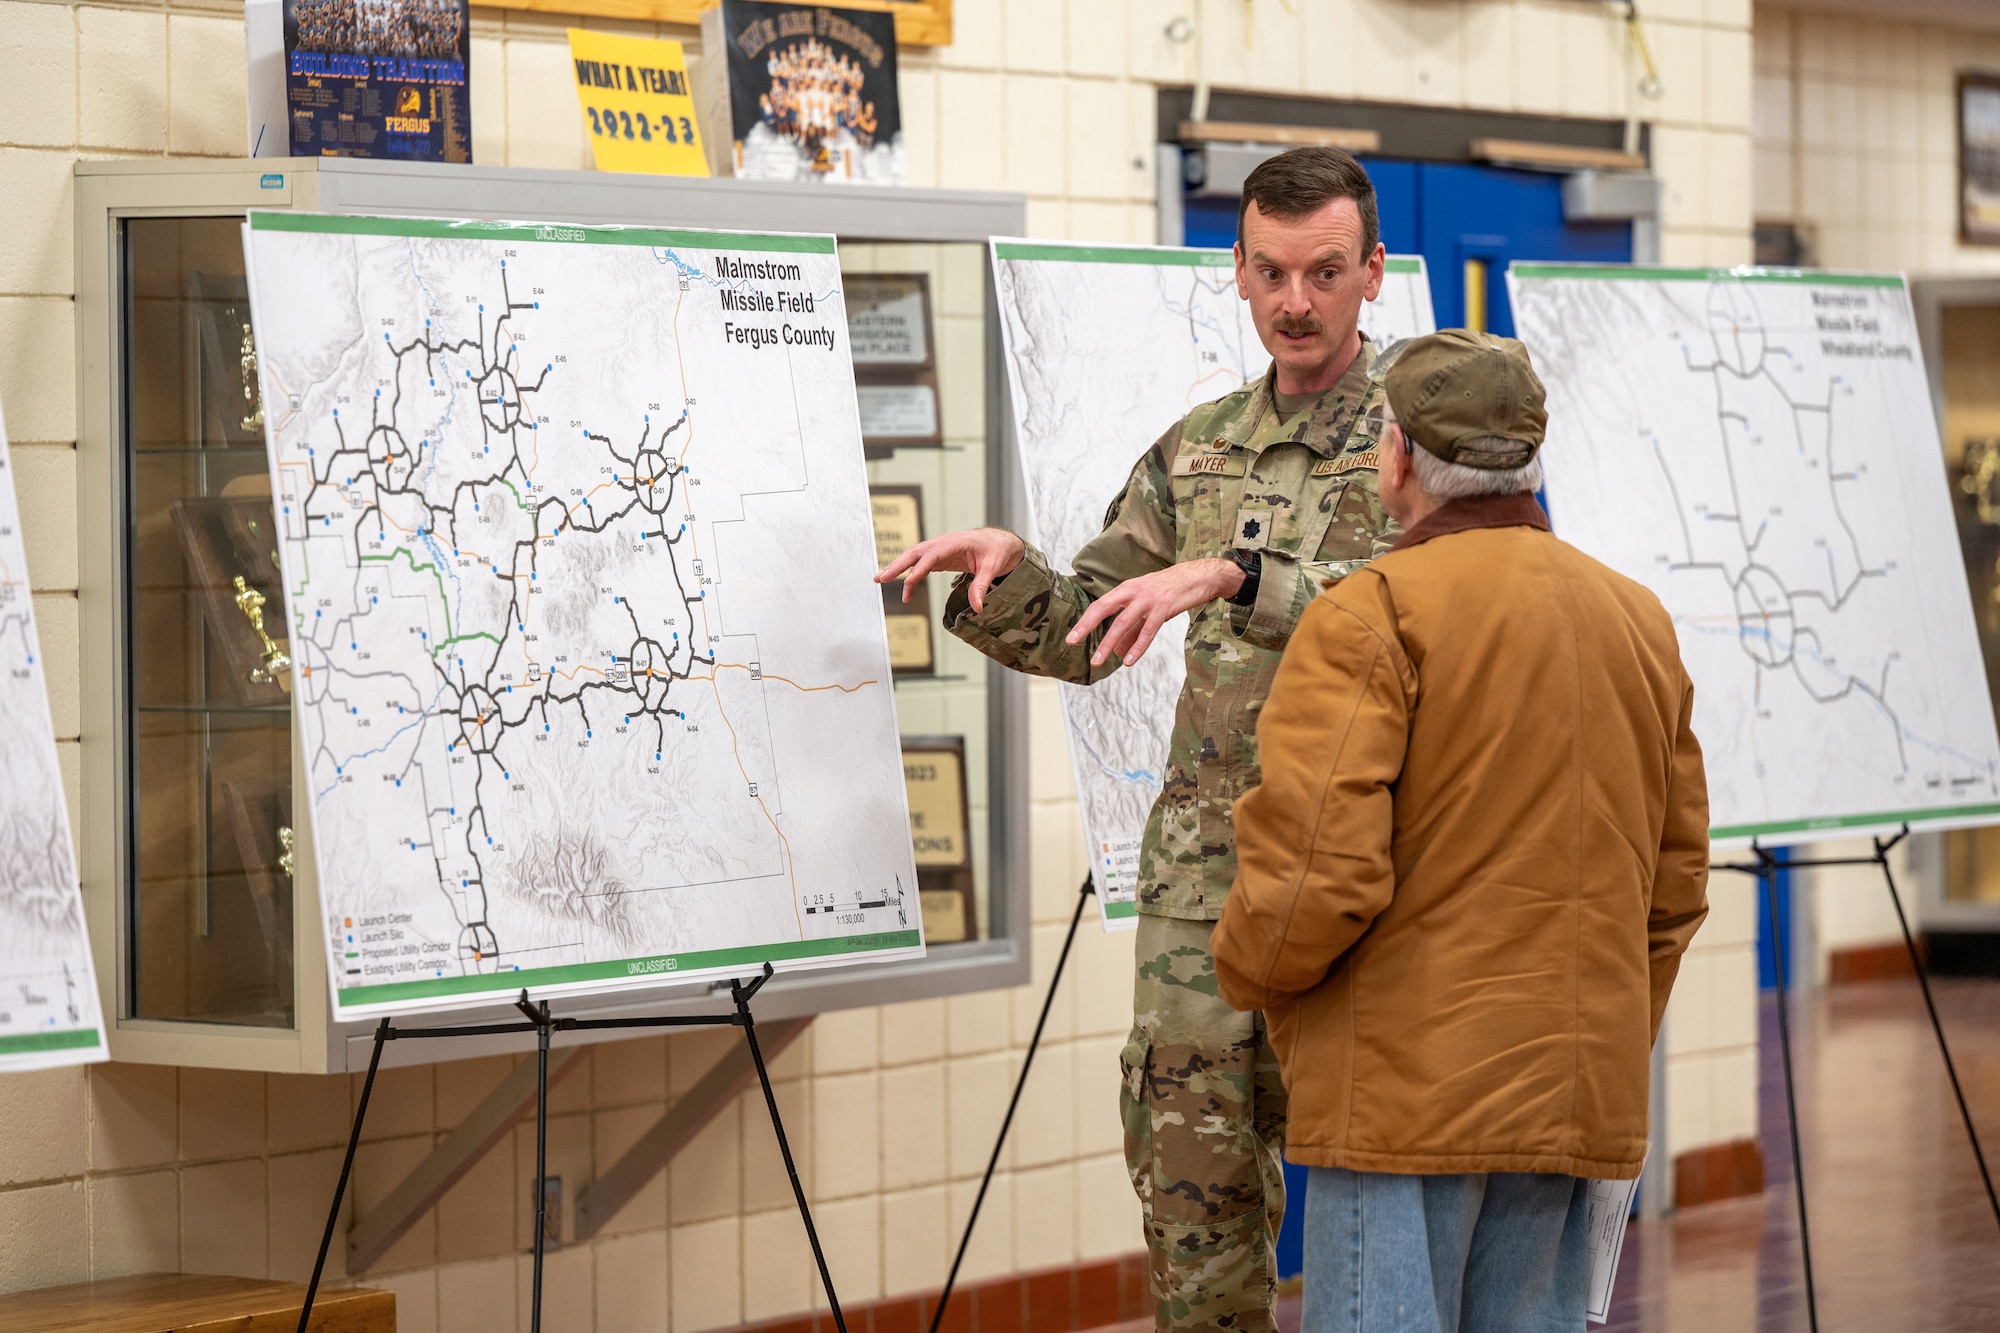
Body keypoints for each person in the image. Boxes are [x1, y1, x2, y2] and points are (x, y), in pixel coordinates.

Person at [877, 146, 1399, 1331]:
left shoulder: (1418, 443)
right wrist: (1009, 583)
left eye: (1323, 272)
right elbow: (1091, 629)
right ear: (1236, 271)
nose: (1294, 303)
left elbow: (1430, 614)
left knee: (1386, 1182)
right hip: (1206, 879)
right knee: (1192, 1187)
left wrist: (1238, 573)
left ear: (1371, 273)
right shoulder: (1196, 446)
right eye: (1268, 272)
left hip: (1378, 866)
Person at [1208, 329, 1711, 1332]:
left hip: (1400, 1100)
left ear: (1395, 455)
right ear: (1529, 457)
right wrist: (1593, 1028)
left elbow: (1314, 877)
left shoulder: (1370, 616)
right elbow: (1673, 885)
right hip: (1570, 1090)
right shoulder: (1637, 619)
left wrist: (1248, 977)